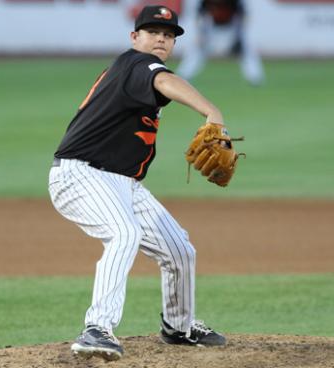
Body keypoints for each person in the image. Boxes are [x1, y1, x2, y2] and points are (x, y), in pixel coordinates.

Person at [48, 5, 227, 361]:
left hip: (120, 182)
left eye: (169, 35)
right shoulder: (134, 63)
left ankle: (179, 326)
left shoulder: (136, 71)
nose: (161, 38)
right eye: (153, 31)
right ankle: (96, 328)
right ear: (135, 37)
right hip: (79, 174)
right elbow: (163, 80)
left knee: (179, 250)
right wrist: (212, 113)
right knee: (124, 232)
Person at [177, 0, 265, 86]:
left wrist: (239, 36)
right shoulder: (205, 1)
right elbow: (200, 17)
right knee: (196, 49)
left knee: (247, 49)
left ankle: (255, 78)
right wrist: (201, 35)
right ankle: (183, 76)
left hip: (231, 29)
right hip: (212, 30)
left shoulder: (234, 1)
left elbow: (243, 17)